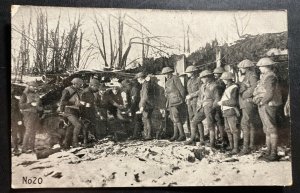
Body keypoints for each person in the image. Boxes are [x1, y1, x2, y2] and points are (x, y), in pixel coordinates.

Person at [253, 57, 282, 161]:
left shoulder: (270, 77)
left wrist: (261, 101)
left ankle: (273, 154)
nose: (260, 68)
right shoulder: (266, 76)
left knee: (271, 128)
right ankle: (269, 152)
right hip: (265, 104)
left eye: (261, 67)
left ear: (266, 67)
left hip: (269, 104)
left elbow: (270, 93)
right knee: (267, 129)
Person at [186, 70, 221, 147]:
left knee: (210, 125)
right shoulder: (203, 86)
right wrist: (191, 95)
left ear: (208, 78)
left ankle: (212, 143)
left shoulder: (214, 86)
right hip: (202, 107)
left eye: (203, 78)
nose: (201, 79)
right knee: (194, 121)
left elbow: (217, 99)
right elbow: (198, 92)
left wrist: (213, 107)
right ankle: (192, 139)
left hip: (209, 107)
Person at [237, 59, 259, 155]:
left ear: (246, 68)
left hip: (248, 102)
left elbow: (254, 88)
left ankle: (246, 147)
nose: (240, 69)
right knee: (250, 124)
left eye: (241, 68)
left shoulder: (252, 76)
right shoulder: (246, 76)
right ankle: (251, 145)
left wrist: (245, 94)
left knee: (245, 123)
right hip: (244, 102)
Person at [217, 72, 240, 154]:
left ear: (228, 79)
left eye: (224, 79)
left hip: (231, 110)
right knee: (227, 129)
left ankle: (236, 148)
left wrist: (222, 103)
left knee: (234, 130)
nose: (223, 81)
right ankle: (231, 146)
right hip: (226, 111)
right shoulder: (228, 87)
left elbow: (233, 102)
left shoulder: (234, 87)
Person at [162, 67, 186, 142]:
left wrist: (182, 100)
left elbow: (182, 89)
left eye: (166, 73)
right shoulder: (167, 81)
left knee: (177, 117)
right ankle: (175, 135)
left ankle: (182, 135)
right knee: (173, 118)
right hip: (170, 101)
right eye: (164, 74)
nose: (165, 75)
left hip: (177, 101)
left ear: (170, 73)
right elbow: (167, 92)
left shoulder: (175, 78)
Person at [19, 81, 43, 153]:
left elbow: (40, 106)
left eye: (36, 87)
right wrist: (30, 104)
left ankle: (32, 148)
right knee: (28, 131)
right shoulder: (24, 95)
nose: (35, 88)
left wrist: (40, 108)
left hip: (35, 115)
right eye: (33, 87)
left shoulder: (37, 95)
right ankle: (24, 148)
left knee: (33, 131)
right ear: (29, 86)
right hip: (28, 115)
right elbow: (21, 105)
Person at [59, 77, 83, 148]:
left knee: (71, 127)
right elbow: (63, 101)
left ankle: (66, 144)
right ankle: (75, 143)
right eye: (79, 84)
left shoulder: (78, 90)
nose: (81, 86)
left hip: (75, 110)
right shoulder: (67, 90)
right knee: (78, 125)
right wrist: (62, 111)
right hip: (68, 110)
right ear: (75, 84)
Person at [184, 65, 203, 145]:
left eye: (188, 72)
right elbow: (188, 92)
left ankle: (201, 139)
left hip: (196, 102)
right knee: (192, 120)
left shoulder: (199, 80)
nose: (187, 74)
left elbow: (201, 91)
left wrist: (192, 95)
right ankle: (194, 137)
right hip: (190, 103)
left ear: (193, 73)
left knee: (197, 120)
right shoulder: (189, 81)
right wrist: (187, 98)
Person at [80, 78, 100, 145]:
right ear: (93, 85)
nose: (97, 88)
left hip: (88, 111)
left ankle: (91, 140)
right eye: (97, 86)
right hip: (87, 112)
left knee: (90, 126)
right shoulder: (87, 92)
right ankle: (86, 141)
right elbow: (88, 104)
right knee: (87, 126)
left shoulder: (89, 91)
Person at [136, 72, 155, 140]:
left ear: (141, 78)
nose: (137, 80)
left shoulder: (146, 85)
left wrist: (142, 106)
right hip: (147, 105)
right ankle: (146, 135)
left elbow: (145, 97)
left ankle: (149, 135)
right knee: (146, 120)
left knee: (147, 120)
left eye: (138, 79)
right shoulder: (145, 84)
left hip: (147, 105)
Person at [213, 66, 226, 143]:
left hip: (219, 103)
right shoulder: (219, 81)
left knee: (220, 121)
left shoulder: (220, 82)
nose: (215, 74)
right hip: (219, 102)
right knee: (218, 121)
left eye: (216, 73)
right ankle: (220, 136)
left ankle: (223, 137)